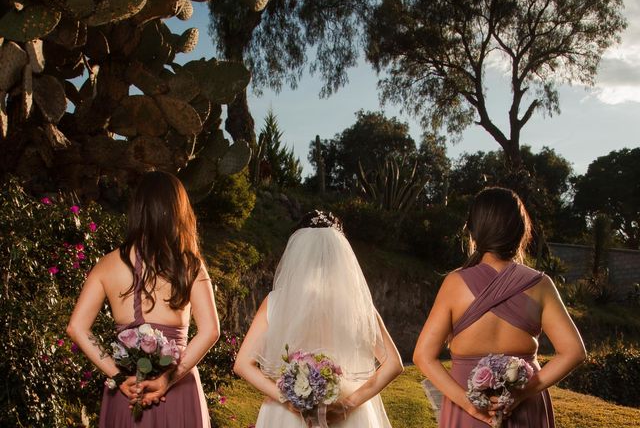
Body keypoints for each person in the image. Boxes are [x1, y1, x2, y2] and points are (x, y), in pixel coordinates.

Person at [413, 187, 586, 427]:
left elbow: (422, 355)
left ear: (473, 231)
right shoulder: (540, 284)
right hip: (526, 408)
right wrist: (522, 393)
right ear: (520, 230)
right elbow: (574, 351)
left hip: (468, 410)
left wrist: (467, 403)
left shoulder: (455, 283)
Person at [67, 171, 219, 428]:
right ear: (178, 211)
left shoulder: (107, 264)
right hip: (178, 392)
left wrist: (117, 375)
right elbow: (211, 331)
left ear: (138, 209)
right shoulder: (190, 265)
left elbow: (76, 328)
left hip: (128, 391)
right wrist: (168, 379)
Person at [234, 210, 403, 427]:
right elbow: (394, 364)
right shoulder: (358, 305)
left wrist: (286, 400)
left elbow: (242, 364)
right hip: (347, 415)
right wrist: (347, 405)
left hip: (288, 416)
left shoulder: (276, 302)